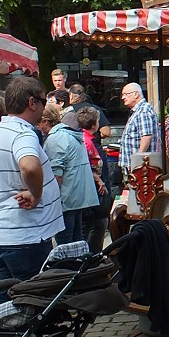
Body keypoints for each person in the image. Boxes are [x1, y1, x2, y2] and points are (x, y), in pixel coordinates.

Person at [0, 76, 64, 302]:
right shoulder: (23, 134)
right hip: (25, 236)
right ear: (32, 103)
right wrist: (35, 194)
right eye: (43, 101)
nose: (44, 107)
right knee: (29, 302)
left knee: (4, 299)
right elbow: (29, 166)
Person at [41, 105, 96, 244]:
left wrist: (48, 198)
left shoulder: (56, 138)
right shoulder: (68, 134)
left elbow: (56, 174)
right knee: (77, 236)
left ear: (45, 121)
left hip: (66, 196)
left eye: (38, 122)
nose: (37, 127)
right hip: (76, 195)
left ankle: (69, 266)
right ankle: (78, 264)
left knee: (65, 240)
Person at [76, 106, 110, 254]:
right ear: (95, 125)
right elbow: (89, 165)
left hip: (91, 192)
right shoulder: (87, 141)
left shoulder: (85, 139)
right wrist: (99, 180)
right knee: (91, 227)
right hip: (92, 192)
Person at [120, 83, 160, 180]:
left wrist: (137, 161)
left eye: (126, 94)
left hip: (140, 168)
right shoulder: (138, 111)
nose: (123, 97)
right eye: (122, 94)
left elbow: (146, 136)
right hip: (136, 166)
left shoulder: (143, 111)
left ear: (136, 94)